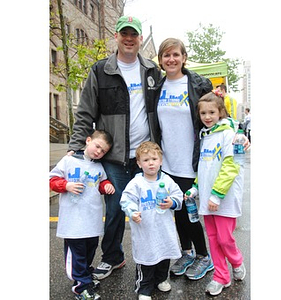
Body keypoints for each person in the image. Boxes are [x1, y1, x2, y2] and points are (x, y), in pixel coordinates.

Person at [67, 16, 162, 280]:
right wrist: (76, 147)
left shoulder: (152, 70)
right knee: (115, 211)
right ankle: (113, 257)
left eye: (134, 34)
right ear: (117, 37)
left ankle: (155, 261)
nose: (129, 38)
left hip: (145, 157)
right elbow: (85, 112)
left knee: (151, 209)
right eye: (124, 34)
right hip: (114, 156)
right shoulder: (100, 70)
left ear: (140, 38)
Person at [154, 37, 214, 280]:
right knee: (177, 211)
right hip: (167, 163)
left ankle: (204, 256)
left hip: (191, 162)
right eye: (166, 55)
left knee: (190, 213)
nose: (171, 59)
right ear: (160, 60)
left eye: (176, 54)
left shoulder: (198, 85)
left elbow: (217, 115)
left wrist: (236, 135)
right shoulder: (157, 88)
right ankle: (186, 252)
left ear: (184, 57)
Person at [186, 91, 246, 296]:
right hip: (208, 200)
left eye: (211, 112)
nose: (207, 116)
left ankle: (237, 261)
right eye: (203, 113)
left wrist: (216, 195)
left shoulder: (230, 134)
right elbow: (204, 169)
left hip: (223, 199)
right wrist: (195, 188)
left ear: (220, 112)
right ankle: (221, 276)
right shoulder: (205, 135)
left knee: (224, 239)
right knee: (212, 238)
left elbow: (231, 166)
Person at [49, 130, 115, 300]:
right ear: (88, 140)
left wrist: (106, 186)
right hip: (73, 222)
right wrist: (66, 185)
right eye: (97, 146)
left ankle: (85, 276)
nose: (99, 152)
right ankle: (81, 287)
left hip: (91, 220)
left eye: (103, 151)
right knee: (77, 253)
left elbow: (101, 182)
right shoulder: (68, 161)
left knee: (90, 250)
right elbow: (52, 180)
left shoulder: (98, 166)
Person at [120, 141, 183, 300]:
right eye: (146, 160)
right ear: (139, 164)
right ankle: (144, 287)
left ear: (160, 161)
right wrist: (132, 212)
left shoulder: (167, 180)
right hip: (145, 229)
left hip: (164, 228)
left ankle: (161, 279)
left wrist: (172, 202)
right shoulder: (136, 183)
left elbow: (178, 195)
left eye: (154, 159)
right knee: (146, 259)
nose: (151, 163)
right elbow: (126, 199)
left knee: (164, 254)